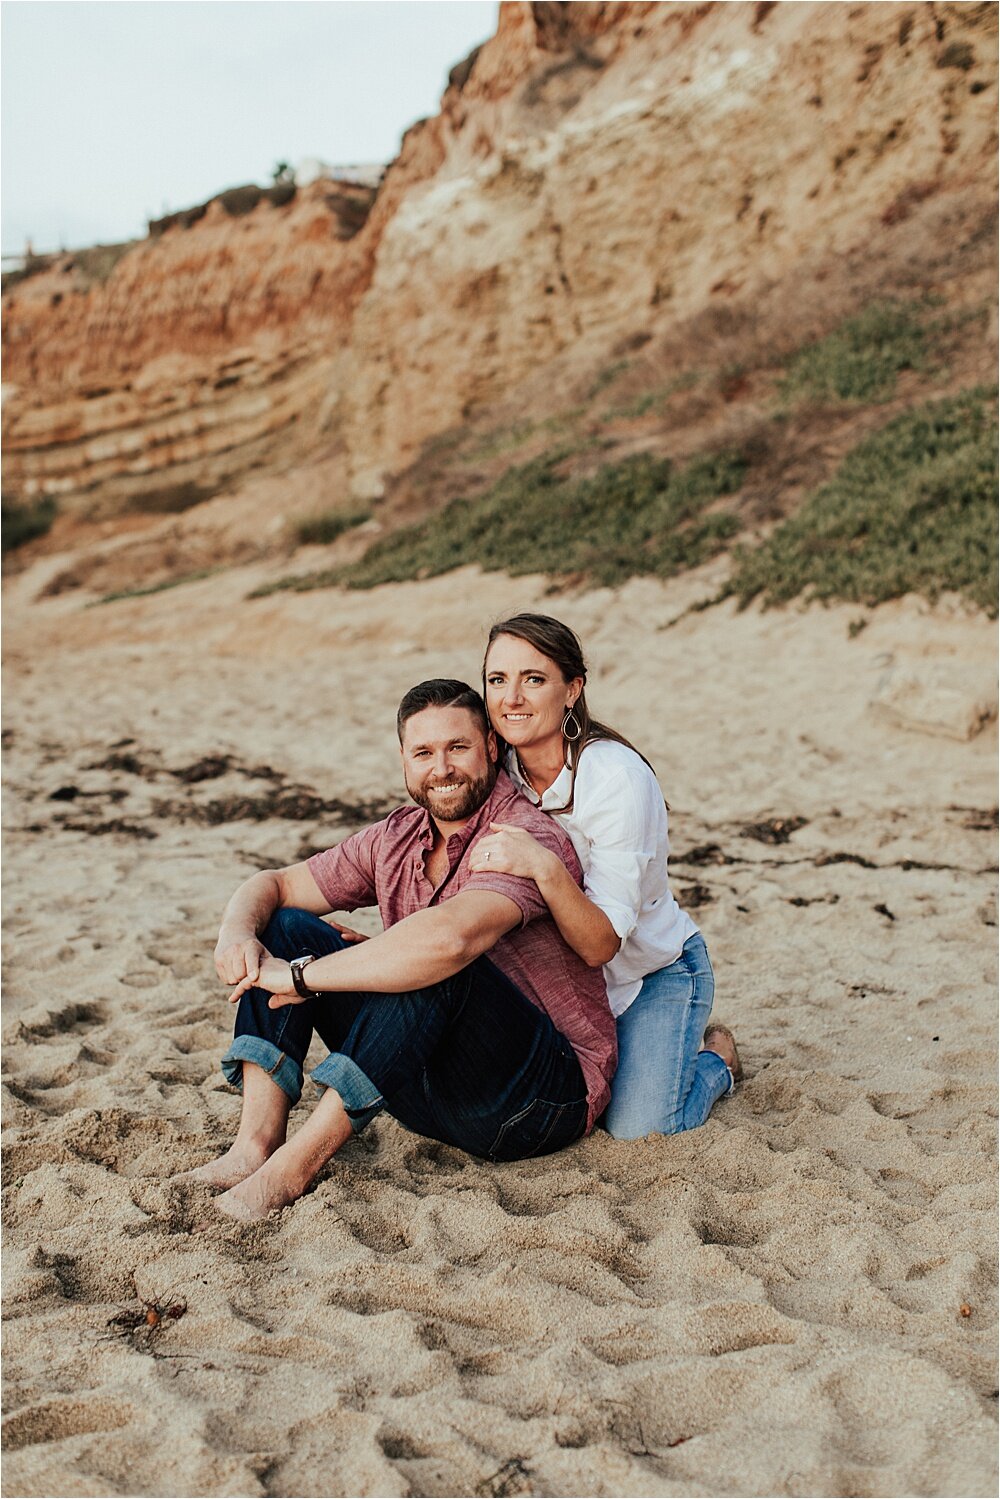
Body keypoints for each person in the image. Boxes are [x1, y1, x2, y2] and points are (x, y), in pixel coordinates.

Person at [189, 679, 617, 1220]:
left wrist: (302, 978)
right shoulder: (394, 836)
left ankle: (291, 1171)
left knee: (436, 963)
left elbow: (448, 941)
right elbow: (272, 884)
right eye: (424, 753)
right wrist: (237, 935)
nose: (442, 768)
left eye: (457, 747)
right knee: (285, 926)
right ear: (404, 760)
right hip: (427, 1091)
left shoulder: (522, 838)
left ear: (491, 746)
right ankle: (254, 1145)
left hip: (538, 1101)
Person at [473, 613, 741, 1140]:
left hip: (649, 975)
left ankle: (718, 1061)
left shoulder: (615, 778)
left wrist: (544, 867)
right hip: (559, 988)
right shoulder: (497, 770)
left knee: (639, 1128)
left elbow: (601, 946)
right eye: (497, 680)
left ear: (571, 690)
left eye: (533, 679)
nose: (511, 699)